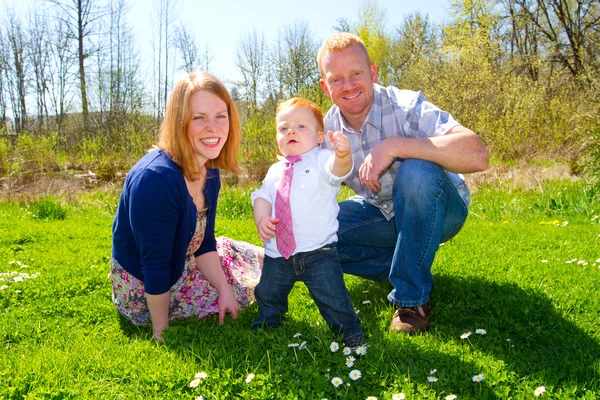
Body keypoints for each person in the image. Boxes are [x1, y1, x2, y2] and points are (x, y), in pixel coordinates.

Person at [317, 33, 489, 335]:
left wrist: (395, 146)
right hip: (379, 211)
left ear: (372, 72)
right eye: (336, 79)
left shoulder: (406, 105)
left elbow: (476, 154)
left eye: (356, 73)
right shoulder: (327, 131)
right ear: (325, 86)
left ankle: (412, 300)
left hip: (439, 208)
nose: (348, 86)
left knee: (417, 169)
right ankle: (406, 264)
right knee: (317, 232)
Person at [110, 71, 262, 341]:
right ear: (180, 123)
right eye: (198, 118)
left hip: (184, 257)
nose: (213, 127)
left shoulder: (210, 171)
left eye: (220, 116)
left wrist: (224, 290)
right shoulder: (155, 179)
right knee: (254, 286)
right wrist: (161, 331)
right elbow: (155, 264)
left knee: (263, 260)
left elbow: (205, 243)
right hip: (146, 284)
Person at [251, 98, 364, 346]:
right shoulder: (274, 170)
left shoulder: (322, 159)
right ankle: (269, 321)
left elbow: (338, 169)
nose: (291, 131)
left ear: (320, 136)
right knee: (268, 293)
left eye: (301, 127)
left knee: (334, 297)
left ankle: (349, 331)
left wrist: (343, 155)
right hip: (277, 253)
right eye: (284, 128)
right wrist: (261, 217)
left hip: (319, 253)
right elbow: (262, 196)